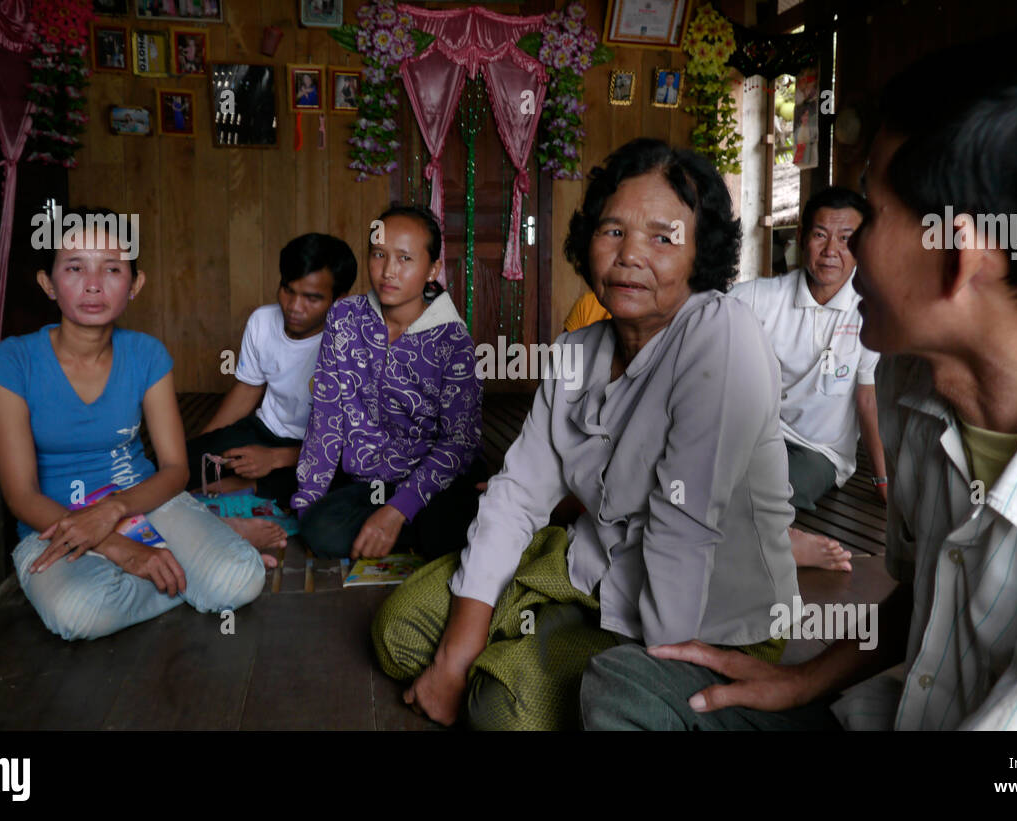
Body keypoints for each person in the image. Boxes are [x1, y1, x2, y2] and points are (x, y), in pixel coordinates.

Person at [579, 26, 1017, 731]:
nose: (848, 247)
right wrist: (801, 681)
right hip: (903, 712)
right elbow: (935, 586)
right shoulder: (911, 372)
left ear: (959, 257)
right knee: (630, 684)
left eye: (872, 210)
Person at [372, 138, 797, 730]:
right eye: (612, 231)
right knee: (399, 634)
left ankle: (521, 660)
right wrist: (455, 656)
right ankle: (508, 650)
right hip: (587, 568)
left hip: (701, 622)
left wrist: (651, 692)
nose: (629, 256)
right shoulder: (577, 351)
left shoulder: (722, 335)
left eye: (662, 236)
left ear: (703, 253)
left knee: (502, 710)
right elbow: (517, 494)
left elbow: (683, 534)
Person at [0, 208, 267, 641]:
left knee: (243, 579)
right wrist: (116, 546)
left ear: (135, 285)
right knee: (77, 614)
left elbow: (175, 469)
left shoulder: (146, 354)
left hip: (141, 502)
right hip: (55, 524)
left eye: (112, 269)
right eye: (74, 268)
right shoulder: (10, 361)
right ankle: (189, 562)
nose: (93, 284)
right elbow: (21, 494)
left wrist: (113, 511)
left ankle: (190, 552)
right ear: (48, 283)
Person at [291, 205, 486, 562]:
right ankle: (390, 529)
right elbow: (327, 416)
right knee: (320, 529)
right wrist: (308, 502)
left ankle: (399, 525)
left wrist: (398, 509)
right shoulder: (344, 319)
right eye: (379, 255)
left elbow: (459, 442)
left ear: (432, 270)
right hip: (369, 483)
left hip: (432, 482)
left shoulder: (453, 342)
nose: (388, 271)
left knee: (447, 527)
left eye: (405, 259)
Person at [729, 186, 888, 572]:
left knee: (768, 484)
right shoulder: (759, 298)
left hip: (818, 452)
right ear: (802, 238)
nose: (831, 249)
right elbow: (700, 329)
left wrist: (883, 482)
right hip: (756, 435)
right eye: (820, 235)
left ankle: (777, 541)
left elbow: (868, 401)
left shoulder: (869, 310)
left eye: (846, 239)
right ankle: (766, 537)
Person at [185, 233, 356, 548]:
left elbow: (352, 443)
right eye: (288, 291)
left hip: (322, 449)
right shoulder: (263, 321)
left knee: (335, 480)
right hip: (265, 431)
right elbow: (248, 390)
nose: (294, 307)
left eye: (312, 298)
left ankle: (246, 486)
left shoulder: (355, 344)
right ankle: (241, 486)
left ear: (340, 299)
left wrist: (277, 458)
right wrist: (204, 450)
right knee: (181, 464)